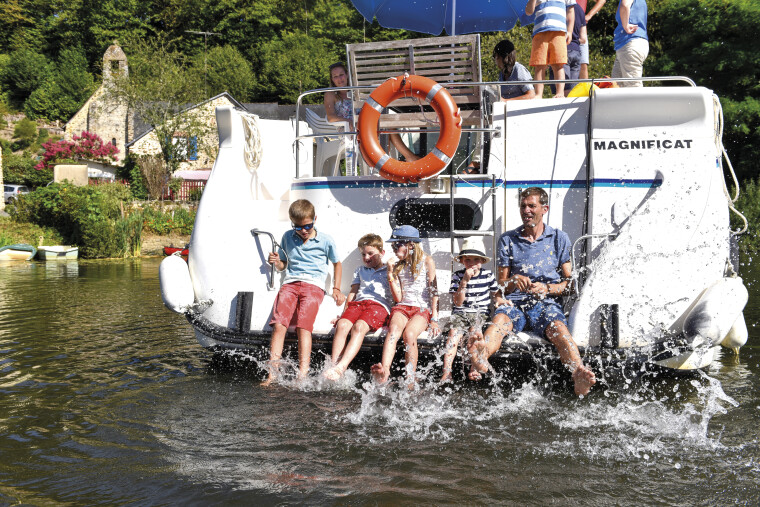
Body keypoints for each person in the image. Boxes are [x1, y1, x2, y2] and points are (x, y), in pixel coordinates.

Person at [468, 187, 596, 396]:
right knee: (499, 322)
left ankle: (578, 374)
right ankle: (481, 356)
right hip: (515, 303)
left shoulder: (558, 238)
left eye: (531, 206)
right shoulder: (508, 239)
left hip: (546, 304)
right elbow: (501, 285)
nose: (526, 210)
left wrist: (547, 288)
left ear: (544, 209)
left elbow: (570, 285)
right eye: (523, 206)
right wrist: (513, 281)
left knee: (560, 330)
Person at [263, 199, 346, 384]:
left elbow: (337, 263)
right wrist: (276, 261)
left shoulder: (325, 240)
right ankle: (272, 374)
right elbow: (283, 265)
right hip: (290, 284)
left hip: (313, 286)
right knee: (279, 326)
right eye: (298, 227)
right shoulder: (287, 237)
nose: (303, 230)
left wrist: (336, 288)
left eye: (307, 225)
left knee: (303, 327)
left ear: (315, 219)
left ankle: (303, 375)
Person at [371, 225, 440, 387]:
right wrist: (390, 274)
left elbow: (434, 292)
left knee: (409, 334)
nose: (394, 249)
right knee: (393, 331)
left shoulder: (427, 261)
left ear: (410, 245)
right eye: (393, 246)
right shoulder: (398, 265)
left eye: (397, 245)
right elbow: (399, 297)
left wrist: (435, 319)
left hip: (422, 309)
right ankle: (385, 371)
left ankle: (410, 377)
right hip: (403, 307)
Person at [323, 234, 392, 380]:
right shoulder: (360, 270)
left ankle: (341, 368)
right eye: (363, 254)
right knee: (341, 325)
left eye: (370, 253)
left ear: (382, 252)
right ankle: (333, 366)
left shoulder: (388, 270)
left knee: (359, 327)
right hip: (359, 304)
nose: (366, 257)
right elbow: (353, 292)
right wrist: (343, 314)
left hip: (378, 306)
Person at [440, 237, 507, 383]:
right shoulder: (457, 276)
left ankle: (474, 368)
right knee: (453, 335)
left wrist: (500, 300)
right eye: (468, 260)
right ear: (462, 261)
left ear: (482, 261)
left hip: (480, 313)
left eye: (476, 260)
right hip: (460, 312)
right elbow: (458, 302)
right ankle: (447, 372)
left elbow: (496, 294)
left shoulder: (488, 275)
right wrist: (464, 281)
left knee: (475, 333)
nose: (471, 264)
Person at [324, 62, 419, 162]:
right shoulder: (330, 94)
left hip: (364, 124)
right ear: (332, 79)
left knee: (386, 125)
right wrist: (348, 121)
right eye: (335, 76)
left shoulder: (355, 91)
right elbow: (331, 117)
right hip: (348, 130)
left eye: (341, 75)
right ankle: (403, 159)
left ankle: (389, 162)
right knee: (386, 127)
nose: (339, 79)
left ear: (347, 75)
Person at [525, 0, 577, 98]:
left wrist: (570, 31)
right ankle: (539, 94)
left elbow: (570, 10)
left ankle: (560, 92)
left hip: (559, 31)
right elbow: (528, 11)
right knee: (539, 65)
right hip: (540, 32)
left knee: (558, 64)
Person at [612, 0, 648, 87]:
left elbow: (625, 5)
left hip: (630, 43)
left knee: (632, 88)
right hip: (629, 44)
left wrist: (626, 26)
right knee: (616, 86)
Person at [580, 0, 607, 80]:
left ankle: (584, 91)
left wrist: (588, 15)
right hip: (561, 26)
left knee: (583, 63)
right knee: (559, 64)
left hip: (579, 27)